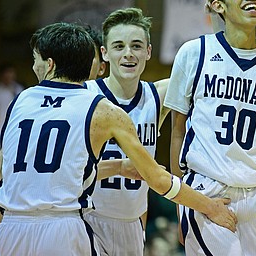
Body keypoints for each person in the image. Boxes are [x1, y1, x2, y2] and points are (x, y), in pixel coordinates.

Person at [0, 22, 237, 256]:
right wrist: (209, 206)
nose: (35, 67)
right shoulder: (101, 108)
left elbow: (22, 169)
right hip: (67, 224)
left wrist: (119, 166)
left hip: (12, 227)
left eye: (36, 61)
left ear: (50, 64)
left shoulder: (21, 100)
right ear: (101, 56)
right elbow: (159, 179)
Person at [164, 0, 256, 255]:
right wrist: (181, 202)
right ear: (218, 5)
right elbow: (177, 133)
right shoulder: (194, 53)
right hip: (208, 190)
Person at [83, 8, 170, 256]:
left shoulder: (158, 95)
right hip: (87, 218)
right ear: (105, 53)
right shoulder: (84, 94)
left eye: (136, 46)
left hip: (132, 223)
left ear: (148, 52)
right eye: (119, 46)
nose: (128, 54)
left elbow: (202, 74)